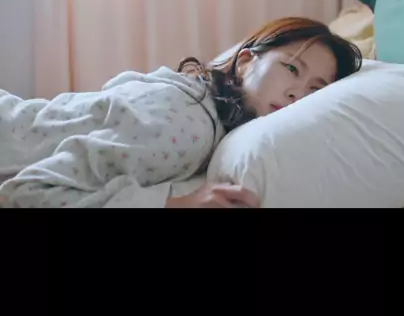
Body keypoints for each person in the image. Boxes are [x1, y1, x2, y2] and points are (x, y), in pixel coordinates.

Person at [0, 17, 361, 208]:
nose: (297, 93)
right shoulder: (188, 123)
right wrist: (172, 204)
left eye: (315, 90)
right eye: (292, 68)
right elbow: (29, 191)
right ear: (246, 62)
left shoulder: (195, 103)